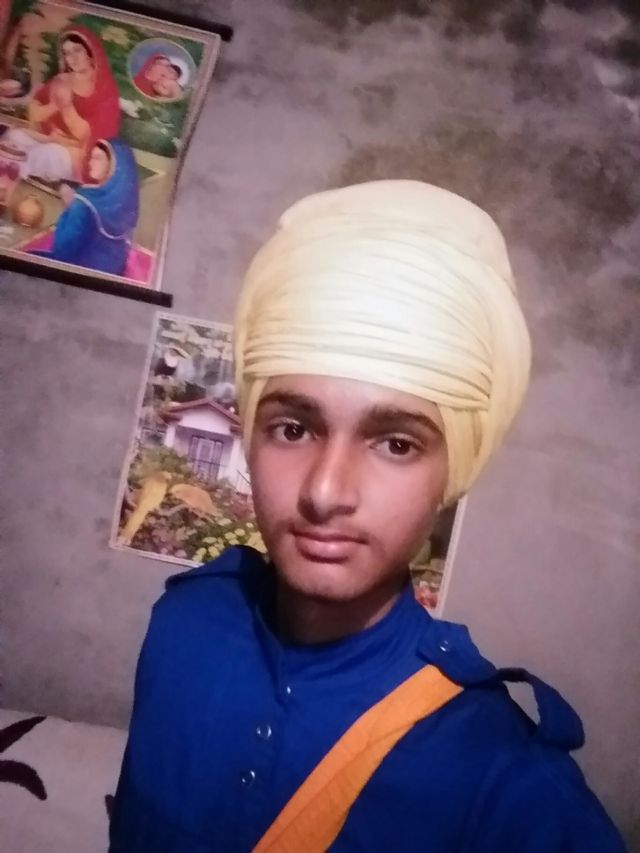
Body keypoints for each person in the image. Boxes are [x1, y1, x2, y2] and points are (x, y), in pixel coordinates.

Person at [109, 181, 626, 852]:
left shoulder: (506, 783)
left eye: (396, 444)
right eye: (294, 429)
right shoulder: (184, 623)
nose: (326, 491)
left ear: (452, 474)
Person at [6, 26, 120, 182]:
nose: (72, 58)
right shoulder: (61, 80)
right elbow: (35, 113)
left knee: (50, 152)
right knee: (16, 135)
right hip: (52, 138)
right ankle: (18, 166)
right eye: (67, 53)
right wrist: (54, 106)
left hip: (78, 153)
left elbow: (85, 136)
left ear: (91, 53)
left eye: (77, 50)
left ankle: (11, 170)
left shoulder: (104, 89)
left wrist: (66, 106)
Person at [31, 138, 138, 275]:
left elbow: (63, 252)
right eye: (91, 157)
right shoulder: (123, 202)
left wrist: (71, 208)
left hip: (80, 272)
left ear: (113, 165)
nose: (90, 163)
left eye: (98, 158)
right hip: (113, 272)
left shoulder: (83, 203)